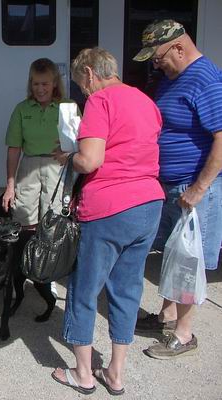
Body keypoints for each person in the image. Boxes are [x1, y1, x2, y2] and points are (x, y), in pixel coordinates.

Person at [50, 48, 164, 395]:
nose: (83, 92)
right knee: (127, 290)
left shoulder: (100, 102)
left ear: (89, 73)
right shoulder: (146, 101)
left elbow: (90, 159)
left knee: (84, 290)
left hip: (110, 207)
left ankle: (83, 374)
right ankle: (115, 374)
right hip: (149, 203)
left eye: (81, 84)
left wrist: (68, 155)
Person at [133, 20, 222, 359]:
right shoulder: (174, 78)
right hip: (170, 185)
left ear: (179, 48)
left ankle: (184, 335)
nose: (156, 64)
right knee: (171, 255)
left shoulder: (207, 79)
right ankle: (168, 316)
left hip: (192, 187)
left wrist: (199, 189)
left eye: (157, 58)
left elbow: (221, 140)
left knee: (187, 261)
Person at [2, 58, 75, 220]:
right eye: (36, 84)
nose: (40, 89)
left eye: (45, 84)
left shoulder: (68, 106)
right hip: (29, 165)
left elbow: (80, 145)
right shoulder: (22, 108)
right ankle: (27, 245)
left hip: (58, 165)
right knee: (23, 216)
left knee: (54, 219)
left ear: (54, 83)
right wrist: (10, 185)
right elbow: (14, 149)